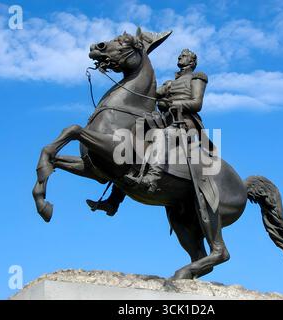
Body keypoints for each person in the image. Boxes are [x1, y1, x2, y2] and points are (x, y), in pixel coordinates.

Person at [87, 49, 208, 214]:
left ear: (192, 62)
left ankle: (152, 178)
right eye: (179, 55)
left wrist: (174, 104)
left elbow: (197, 103)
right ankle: (113, 201)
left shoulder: (197, 77)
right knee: (130, 147)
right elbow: (149, 94)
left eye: (185, 55)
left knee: (160, 135)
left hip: (184, 123)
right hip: (165, 121)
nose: (180, 56)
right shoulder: (169, 83)